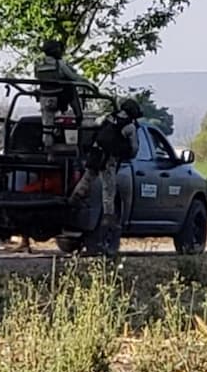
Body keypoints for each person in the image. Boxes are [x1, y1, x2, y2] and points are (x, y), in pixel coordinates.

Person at [69, 98, 142, 234]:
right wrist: (126, 154)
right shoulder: (129, 127)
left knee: (87, 178)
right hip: (110, 158)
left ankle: (74, 200)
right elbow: (134, 148)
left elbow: (95, 128)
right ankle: (108, 217)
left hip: (96, 153)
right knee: (109, 188)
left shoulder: (108, 117)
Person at [35, 39, 95, 149]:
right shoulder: (59, 64)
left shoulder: (38, 65)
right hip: (59, 98)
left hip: (45, 98)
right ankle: (78, 116)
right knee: (71, 88)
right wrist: (89, 85)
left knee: (47, 126)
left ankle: (48, 151)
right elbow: (74, 77)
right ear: (55, 51)